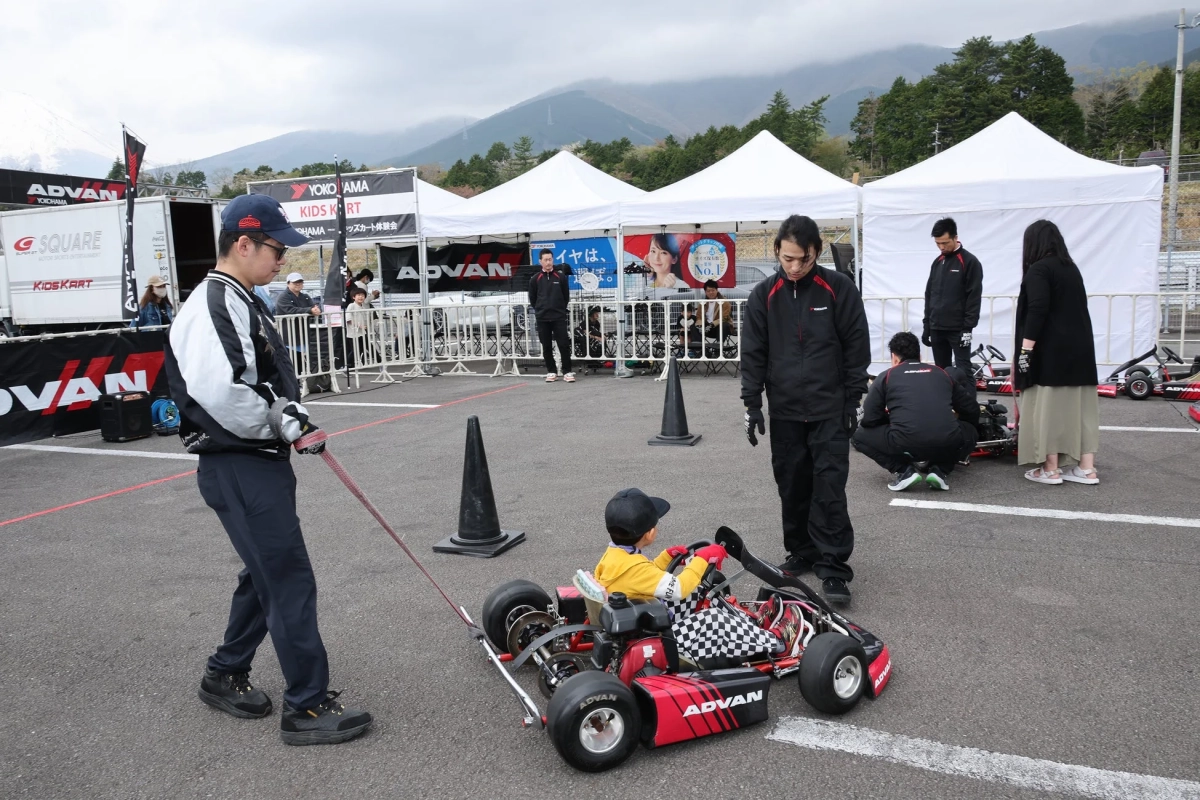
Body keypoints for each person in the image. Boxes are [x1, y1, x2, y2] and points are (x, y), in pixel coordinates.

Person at [164, 193, 371, 746]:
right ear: (244, 243)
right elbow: (221, 391)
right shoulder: (215, 301)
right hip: (238, 462)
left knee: (264, 574)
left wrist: (287, 414)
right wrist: (286, 422)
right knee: (288, 578)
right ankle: (305, 707)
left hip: (251, 460)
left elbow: (253, 384)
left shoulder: (240, 296)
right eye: (278, 249)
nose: (285, 260)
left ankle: (224, 671)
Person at [740, 215, 871, 605]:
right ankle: (801, 551)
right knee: (792, 484)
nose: (795, 267)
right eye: (787, 259)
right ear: (778, 251)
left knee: (828, 487)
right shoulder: (764, 295)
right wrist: (752, 404)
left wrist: (853, 398)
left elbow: (855, 347)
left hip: (829, 408)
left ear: (816, 252)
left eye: (803, 259)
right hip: (785, 411)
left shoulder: (838, 289)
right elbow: (754, 354)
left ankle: (833, 566)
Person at [594, 489, 804, 664]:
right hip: (659, 641)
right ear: (649, 533)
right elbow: (678, 588)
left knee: (700, 592)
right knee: (713, 620)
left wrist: (665, 558)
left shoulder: (615, 556)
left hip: (643, 620)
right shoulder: (632, 568)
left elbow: (643, 577)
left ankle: (751, 624)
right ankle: (778, 642)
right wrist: (701, 559)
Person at [1013, 220, 1100, 486]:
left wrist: (1025, 350)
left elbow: (1038, 309)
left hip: (1050, 352)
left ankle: (1050, 469)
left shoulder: (1039, 270)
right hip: (1081, 350)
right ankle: (1087, 468)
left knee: (1046, 407)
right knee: (1081, 409)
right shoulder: (1071, 268)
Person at [852, 332, 979, 491]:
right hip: (946, 440)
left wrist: (892, 422)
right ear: (919, 355)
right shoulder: (942, 373)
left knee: (858, 436)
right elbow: (972, 410)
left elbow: (869, 418)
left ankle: (904, 471)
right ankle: (941, 470)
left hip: (905, 441)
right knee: (971, 431)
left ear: (895, 358)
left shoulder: (886, 376)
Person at [922, 218, 983, 370]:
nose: (941, 247)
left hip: (958, 328)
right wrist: (927, 325)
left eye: (945, 243)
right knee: (941, 370)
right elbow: (930, 294)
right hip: (937, 327)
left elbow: (974, 296)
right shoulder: (937, 262)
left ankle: (967, 395)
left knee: (963, 370)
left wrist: (968, 329)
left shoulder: (969, 261)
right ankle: (944, 395)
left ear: (955, 238)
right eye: (938, 243)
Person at [528, 248, 574, 383]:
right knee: (546, 345)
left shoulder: (560, 277)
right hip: (542, 318)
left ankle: (567, 371)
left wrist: (560, 309)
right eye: (546, 260)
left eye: (550, 259)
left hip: (558, 317)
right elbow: (533, 298)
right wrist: (540, 310)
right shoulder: (535, 279)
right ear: (540, 261)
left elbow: (566, 296)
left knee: (563, 344)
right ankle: (551, 371)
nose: (548, 262)